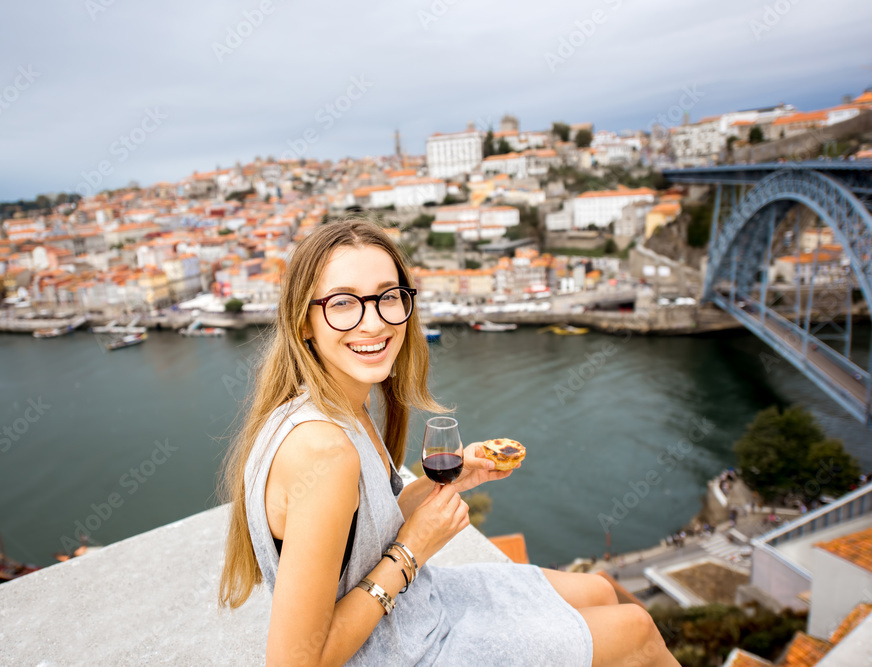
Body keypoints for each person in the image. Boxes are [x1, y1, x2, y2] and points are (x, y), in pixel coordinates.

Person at [218, 220, 678, 666]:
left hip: (407, 612)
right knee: (635, 628)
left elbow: (366, 524)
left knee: (600, 589)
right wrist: (410, 552)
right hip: (395, 647)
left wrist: (455, 476)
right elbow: (295, 662)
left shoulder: (333, 403)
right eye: (343, 303)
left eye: (388, 297)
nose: (374, 322)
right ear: (303, 322)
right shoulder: (324, 450)